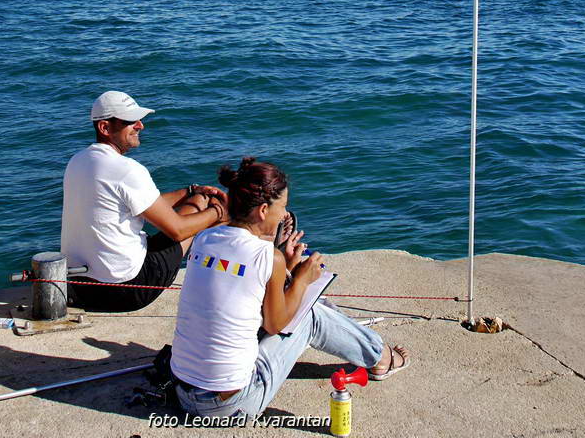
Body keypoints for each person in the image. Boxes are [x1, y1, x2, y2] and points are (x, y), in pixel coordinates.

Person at [170, 157, 408, 419]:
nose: (284, 214)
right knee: (312, 315)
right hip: (229, 405)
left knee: (300, 303)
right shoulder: (267, 256)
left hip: (183, 391)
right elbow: (276, 325)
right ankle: (380, 357)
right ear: (262, 210)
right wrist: (301, 279)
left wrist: (286, 270)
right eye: (282, 206)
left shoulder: (204, 238)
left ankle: (373, 351)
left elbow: (241, 290)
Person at [60, 90, 228, 312]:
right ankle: (224, 281)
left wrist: (189, 191)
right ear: (105, 128)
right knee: (203, 208)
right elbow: (178, 230)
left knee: (198, 199)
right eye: (130, 121)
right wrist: (218, 211)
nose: (141, 126)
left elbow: (143, 204)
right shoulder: (126, 170)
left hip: (83, 288)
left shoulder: (78, 161)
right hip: (126, 290)